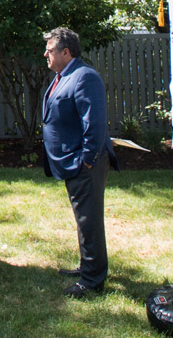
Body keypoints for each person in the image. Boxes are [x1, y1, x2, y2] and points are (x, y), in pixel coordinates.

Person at [41, 27, 117, 298]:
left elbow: (94, 124)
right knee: (83, 218)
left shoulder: (85, 77)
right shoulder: (63, 76)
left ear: (66, 51)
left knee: (89, 219)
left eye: (49, 50)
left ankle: (92, 280)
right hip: (72, 161)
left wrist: (87, 160)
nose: (45, 54)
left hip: (85, 164)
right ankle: (88, 266)